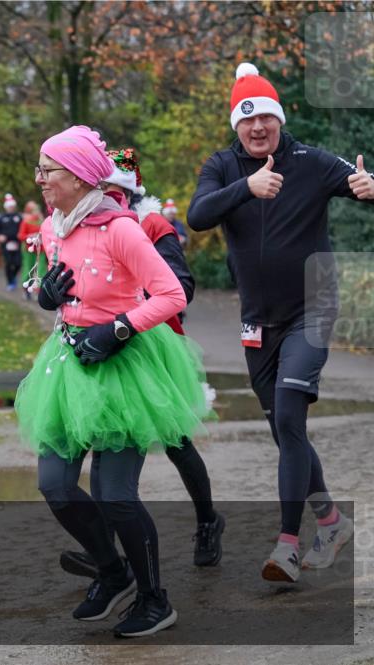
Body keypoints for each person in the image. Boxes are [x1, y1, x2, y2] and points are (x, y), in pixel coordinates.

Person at [16, 125, 212, 638]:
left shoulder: (120, 227)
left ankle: (154, 600)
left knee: (114, 494)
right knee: (55, 487)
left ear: (80, 177)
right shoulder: (54, 225)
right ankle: (111, 571)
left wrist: (118, 328)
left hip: (123, 366)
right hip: (67, 364)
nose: (40, 179)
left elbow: (172, 295)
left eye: (48, 170)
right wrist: (45, 296)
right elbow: (43, 281)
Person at [188, 62, 372, 582]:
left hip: (312, 309)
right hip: (256, 322)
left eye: (266, 117)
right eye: (247, 122)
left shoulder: (311, 162)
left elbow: (362, 180)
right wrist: (248, 186)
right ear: (236, 127)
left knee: (290, 417)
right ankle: (331, 522)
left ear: (279, 119)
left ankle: (288, 545)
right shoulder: (222, 167)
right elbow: (198, 216)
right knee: (283, 428)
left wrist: (369, 184)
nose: (258, 128)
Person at [58, 148, 223, 580]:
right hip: (103, 346)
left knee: (175, 439)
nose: (105, 201)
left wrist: (127, 315)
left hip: (152, 343)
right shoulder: (83, 223)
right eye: (101, 191)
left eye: (113, 193)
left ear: (127, 194)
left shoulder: (151, 225)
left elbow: (180, 284)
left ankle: (208, 521)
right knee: (107, 436)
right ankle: (108, 554)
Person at [0, 193, 23, 291]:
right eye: (9, 206)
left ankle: (14, 277)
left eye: (12, 206)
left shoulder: (19, 217)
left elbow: (23, 229)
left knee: (18, 263)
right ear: (6, 207)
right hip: (6, 244)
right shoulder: (2, 217)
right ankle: (10, 282)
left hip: (17, 243)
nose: (11, 208)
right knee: (8, 263)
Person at [17, 201, 42, 300]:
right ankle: (26, 290)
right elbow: (20, 236)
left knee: (40, 271)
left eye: (37, 210)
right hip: (28, 250)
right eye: (34, 210)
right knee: (28, 270)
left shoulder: (43, 221)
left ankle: (38, 292)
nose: (36, 212)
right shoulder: (26, 221)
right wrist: (30, 236)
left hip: (41, 250)